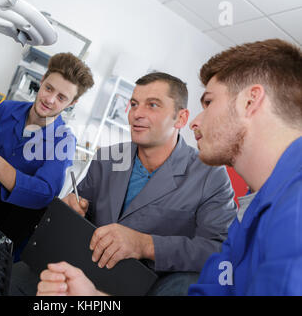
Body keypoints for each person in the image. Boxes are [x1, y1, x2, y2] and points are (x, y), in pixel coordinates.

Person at [37, 38, 302, 296]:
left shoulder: (283, 207)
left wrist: (145, 245)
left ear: (250, 101)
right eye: (133, 105)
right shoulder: (260, 206)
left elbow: (214, 252)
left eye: (208, 102)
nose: (197, 122)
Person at [12, 72, 237, 296]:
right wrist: (71, 208)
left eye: (153, 105)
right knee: (8, 280)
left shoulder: (210, 175)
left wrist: (146, 245)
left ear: (181, 118)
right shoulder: (107, 158)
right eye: (134, 104)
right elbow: (78, 206)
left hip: (140, 287)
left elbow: (219, 250)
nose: (137, 114)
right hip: (77, 268)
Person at [0, 53, 94, 258]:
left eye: (61, 97)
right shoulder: (4, 110)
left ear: (72, 103)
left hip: (19, 216)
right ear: (42, 79)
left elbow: (44, 194)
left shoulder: (64, 141)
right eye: (49, 88)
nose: (50, 100)